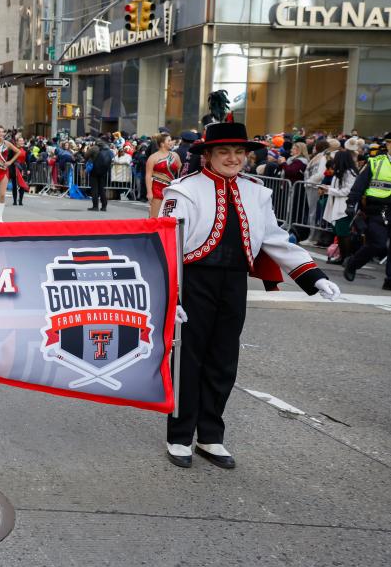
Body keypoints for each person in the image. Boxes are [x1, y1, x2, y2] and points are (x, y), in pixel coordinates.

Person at [160, 122, 341, 470]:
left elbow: (275, 239)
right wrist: (172, 295)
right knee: (186, 361)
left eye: (239, 152)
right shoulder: (182, 191)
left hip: (233, 284)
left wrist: (314, 276)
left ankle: (210, 436)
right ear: (208, 156)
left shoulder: (257, 193)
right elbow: (167, 246)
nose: (233, 158)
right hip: (192, 281)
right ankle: (179, 436)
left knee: (224, 360)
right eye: (224, 152)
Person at [342, 136, 391, 290]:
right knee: (377, 244)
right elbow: (360, 184)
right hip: (377, 210)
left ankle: (390, 279)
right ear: (388, 145)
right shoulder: (376, 162)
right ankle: (353, 263)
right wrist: (351, 203)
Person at [145, 133, 181, 217]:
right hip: (157, 189)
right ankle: (154, 230)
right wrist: (149, 192)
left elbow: (180, 169)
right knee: (155, 216)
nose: (171, 142)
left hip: (171, 189)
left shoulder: (175, 155)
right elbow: (148, 175)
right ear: (162, 144)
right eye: (169, 140)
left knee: (169, 215)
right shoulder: (153, 157)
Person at [86, 140, 114, 212]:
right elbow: (113, 159)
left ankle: (95, 206)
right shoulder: (109, 151)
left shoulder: (94, 148)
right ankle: (104, 206)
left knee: (94, 189)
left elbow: (86, 155)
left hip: (94, 171)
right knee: (102, 189)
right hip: (103, 171)